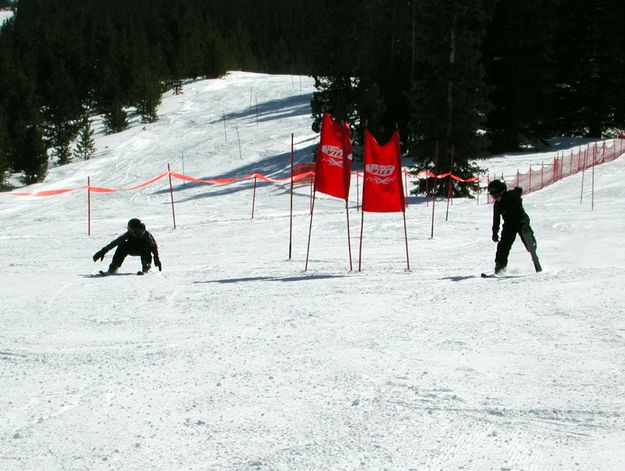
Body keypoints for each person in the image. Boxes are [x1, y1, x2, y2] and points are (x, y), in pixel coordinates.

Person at [488, 180, 541, 274]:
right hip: (509, 225)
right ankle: (500, 266)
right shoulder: (497, 205)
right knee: (503, 246)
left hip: (521, 220)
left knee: (525, 233)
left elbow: (517, 194)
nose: (494, 198)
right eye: (492, 196)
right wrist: (495, 233)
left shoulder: (511, 196)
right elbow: (496, 220)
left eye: (495, 195)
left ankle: (531, 244)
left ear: (502, 191)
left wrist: (517, 192)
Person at [93, 218, 162, 275]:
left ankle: (146, 267)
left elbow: (154, 247)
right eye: (138, 231)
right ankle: (114, 267)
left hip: (143, 250)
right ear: (132, 231)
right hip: (132, 248)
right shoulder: (128, 235)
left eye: (142, 231)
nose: (141, 233)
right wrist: (103, 251)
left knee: (147, 247)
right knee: (122, 245)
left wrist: (156, 259)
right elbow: (115, 243)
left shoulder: (147, 236)